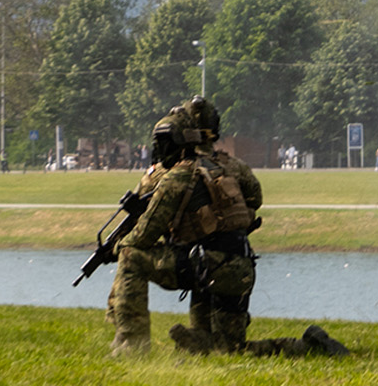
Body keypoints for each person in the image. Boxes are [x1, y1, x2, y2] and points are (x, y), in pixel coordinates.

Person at [103, 98, 337, 358]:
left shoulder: (171, 176)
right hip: (239, 266)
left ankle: (131, 346)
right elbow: (254, 199)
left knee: (130, 256)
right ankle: (309, 346)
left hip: (204, 266)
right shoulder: (224, 167)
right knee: (229, 350)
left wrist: (116, 247)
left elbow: (142, 236)